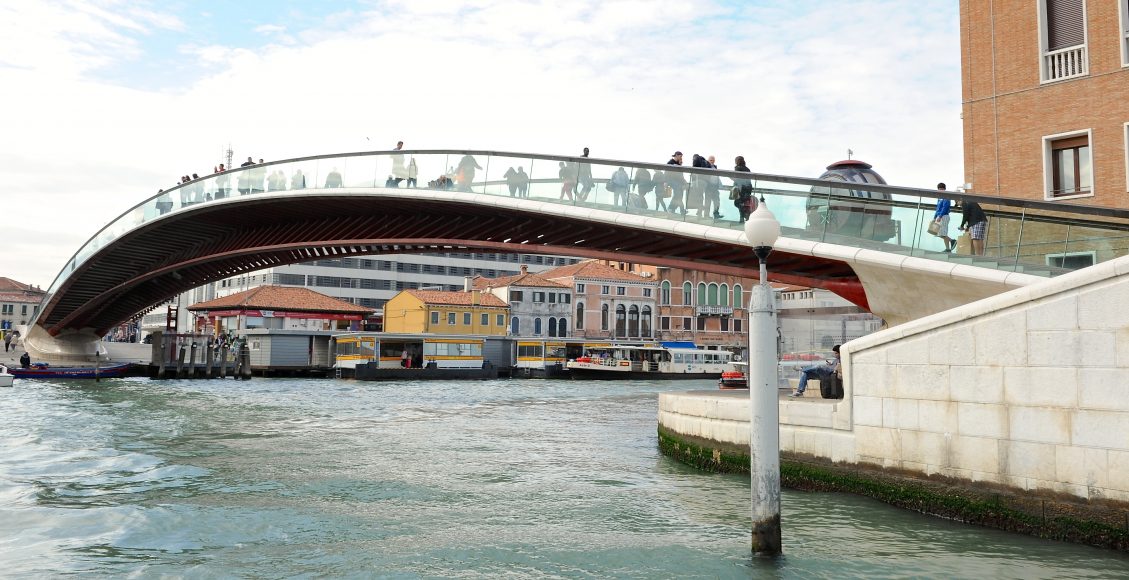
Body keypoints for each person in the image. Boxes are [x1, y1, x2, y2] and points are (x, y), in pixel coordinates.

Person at [932, 183, 955, 252]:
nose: (941, 190)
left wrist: (940, 216)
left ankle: (952, 241)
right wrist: (934, 217)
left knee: (941, 233)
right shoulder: (940, 198)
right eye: (939, 189)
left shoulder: (946, 197)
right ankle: (948, 248)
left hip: (943, 216)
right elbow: (938, 208)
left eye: (942, 189)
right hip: (939, 216)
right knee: (940, 233)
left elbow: (945, 208)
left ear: (945, 189)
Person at [733, 156, 755, 221]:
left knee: (737, 202)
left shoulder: (737, 168)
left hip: (741, 188)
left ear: (737, 161)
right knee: (743, 203)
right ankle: (745, 215)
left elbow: (737, 179)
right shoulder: (748, 169)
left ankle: (743, 217)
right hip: (748, 188)